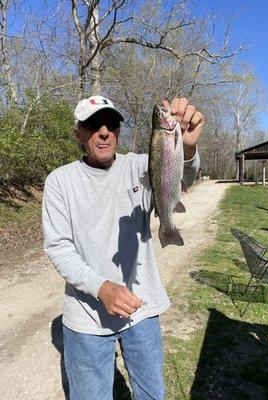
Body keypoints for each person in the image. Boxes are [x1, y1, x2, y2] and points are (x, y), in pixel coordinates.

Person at [42, 95, 204, 400]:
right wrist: (102, 288)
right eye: (93, 124)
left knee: (151, 394)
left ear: (118, 130)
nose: (103, 131)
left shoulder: (140, 165)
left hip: (142, 310)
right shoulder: (59, 182)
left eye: (111, 124)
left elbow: (182, 174)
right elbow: (58, 248)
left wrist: (189, 147)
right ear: (78, 133)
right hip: (86, 319)